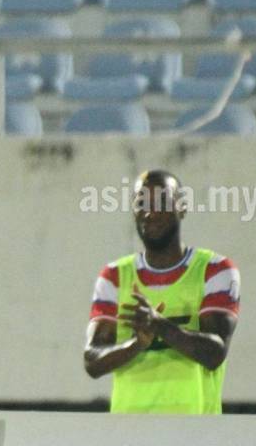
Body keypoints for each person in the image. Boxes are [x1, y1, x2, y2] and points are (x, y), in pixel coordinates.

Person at [83, 169, 241, 414]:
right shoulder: (115, 275)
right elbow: (92, 361)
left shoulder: (214, 270)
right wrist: (136, 344)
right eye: (142, 203)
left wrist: (159, 326)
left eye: (162, 202)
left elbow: (214, 353)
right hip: (127, 429)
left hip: (196, 428)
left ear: (182, 207)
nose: (151, 212)